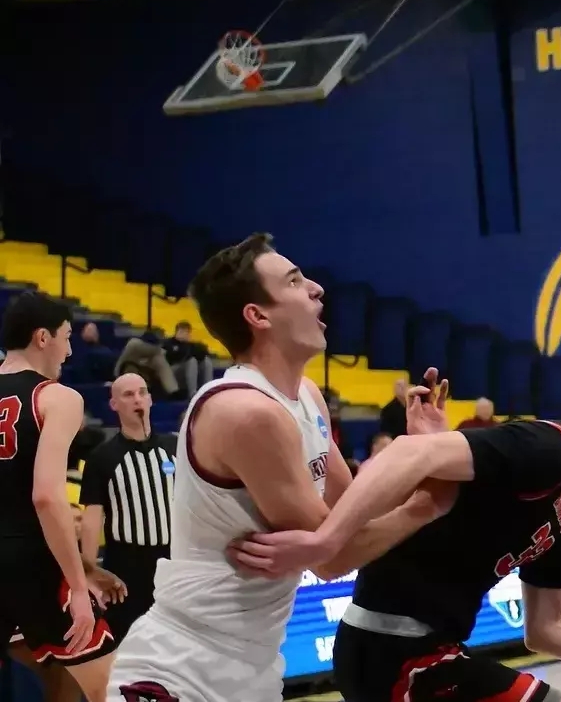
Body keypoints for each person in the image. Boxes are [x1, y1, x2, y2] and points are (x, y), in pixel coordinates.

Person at [230, 349, 561, 698]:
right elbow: (409, 451)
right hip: (394, 651)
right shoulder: (544, 447)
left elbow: (548, 628)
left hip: (419, 652)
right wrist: (326, 539)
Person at [109, 235, 448, 702]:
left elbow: (355, 509)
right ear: (258, 315)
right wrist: (427, 505)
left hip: (255, 663)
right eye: (294, 280)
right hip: (183, 664)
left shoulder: (308, 397)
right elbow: (332, 555)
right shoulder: (246, 411)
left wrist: (420, 452)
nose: (316, 289)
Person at [0, 293, 117, 700]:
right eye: (67, 337)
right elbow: (47, 498)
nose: (70, 351)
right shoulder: (57, 397)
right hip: (34, 562)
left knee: (57, 685)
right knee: (111, 688)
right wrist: (79, 585)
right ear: (42, 338)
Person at [80, 374, 177, 646]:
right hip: (127, 567)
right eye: (128, 394)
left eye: (142, 392)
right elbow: (91, 519)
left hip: (173, 561)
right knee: (130, 644)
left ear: (150, 399)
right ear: (113, 404)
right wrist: (89, 574)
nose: (137, 399)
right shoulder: (102, 457)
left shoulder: (173, 447)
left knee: (175, 643)